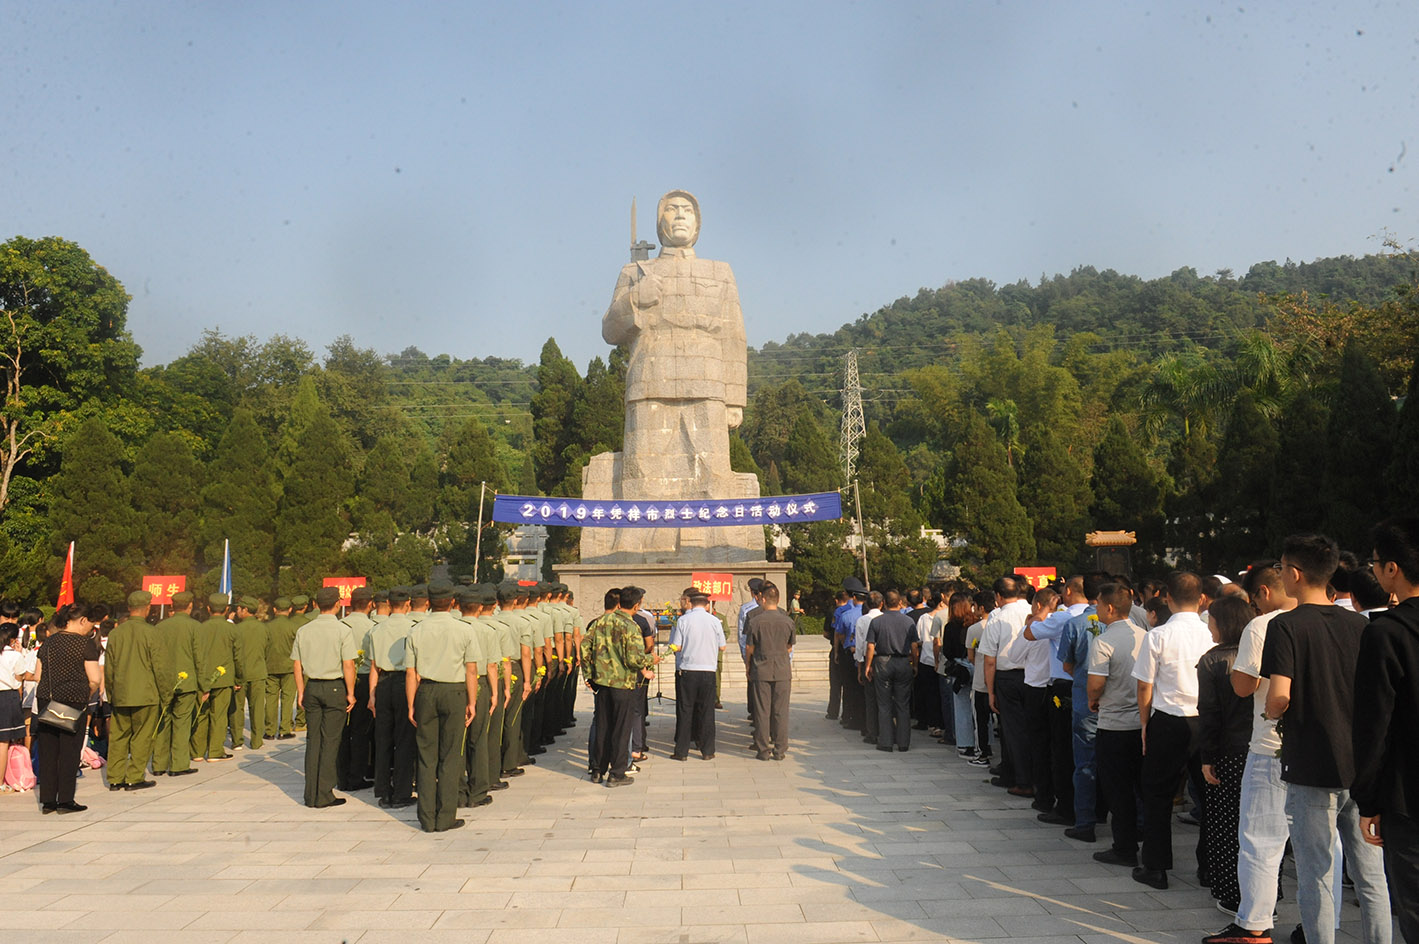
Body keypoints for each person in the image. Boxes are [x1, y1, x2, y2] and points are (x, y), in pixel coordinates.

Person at [1261, 534, 1391, 944]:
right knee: (1371, 875)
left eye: (1281, 568)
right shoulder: (1360, 623)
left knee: (1316, 872)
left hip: (1312, 762)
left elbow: (1279, 694)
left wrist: (1271, 712)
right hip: (1362, 764)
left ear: (1296, 574)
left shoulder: (1285, 625)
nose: (1281, 574)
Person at [1206, 560, 1297, 944]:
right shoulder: (1351, 622)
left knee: (1260, 838)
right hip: (1332, 748)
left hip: (1273, 746)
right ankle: (1322, 925)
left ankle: (1254, 925)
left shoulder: (1263, 626)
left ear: (1261, 593)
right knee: (1326, 848)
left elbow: (1245, 688)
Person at [1353, 517, 1419, 944]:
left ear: (1392, 568)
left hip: (1407, 796)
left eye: (1375, 562)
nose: (1374, 570)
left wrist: (1368, 800)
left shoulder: (1386, 634)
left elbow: (1374, 726)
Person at [1131, 571, 1215, 890]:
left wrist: (1143, 724)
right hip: (1205, 720)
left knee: (1158, 794)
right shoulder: (1211, 633)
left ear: (1167, 598)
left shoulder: (1159, 635)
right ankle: (1208, 867)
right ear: (1202, 599)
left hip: (1168, 718)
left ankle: (1156, 867)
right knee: (1209, 796)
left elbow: (1144, 686)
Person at [405, 579, 481, 832]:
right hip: (455, 692)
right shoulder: (464, 630)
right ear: (452, 602)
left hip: (425, 690)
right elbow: (471, 671)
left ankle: (426, 818)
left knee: (426, 757)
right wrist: (472, 702)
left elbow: (410, 672)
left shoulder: (416, 630)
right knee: (450, 757)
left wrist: (411, 704)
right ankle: (446, 816)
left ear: (428, 602)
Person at [1196, 595, 1255, 917]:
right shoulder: (1261, 653)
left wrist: (1207, 756)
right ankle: (1265, 895)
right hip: (1261, 749)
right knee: (1259, 828)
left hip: (1228, 751)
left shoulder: (1213, 661)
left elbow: (1210, 712)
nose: (1210, 625)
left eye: (1213, 620)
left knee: (1225, 824)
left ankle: (1231, 893)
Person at [1088, 582, 1147, 868]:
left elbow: (1096, 683)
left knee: (1117, 789)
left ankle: (1124, 847)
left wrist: (1092, 698)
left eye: (1098, 603)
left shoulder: (1103, 641)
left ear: (1110, 608)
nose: (1096, 608)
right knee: (1141, 785)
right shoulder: (1145, 635)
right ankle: (1142, 833)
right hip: (1143, 722)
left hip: (1114, 723)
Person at [581, 586, 656, 786]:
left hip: (602, 684)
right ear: (637, 605)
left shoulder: (600, 622)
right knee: (622, 729)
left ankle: (597, 769)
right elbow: (633, 659)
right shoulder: (631, 627)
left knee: (603, 726)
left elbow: (584, 648)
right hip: (623, 684)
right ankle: (617, 773)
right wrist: (650, 659)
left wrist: (588, 675)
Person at [291, 587, 357, 810]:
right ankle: (324, 792)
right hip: (334, 687)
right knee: (330, 742)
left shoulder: (304, 630)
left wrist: (301, 691)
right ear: (338, 604)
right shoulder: (342, 630)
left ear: (315, 604)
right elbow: (348, 664)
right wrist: (350, 692)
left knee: (314, 741)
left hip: (312, 687)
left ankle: (310, 792)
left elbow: (297, 665)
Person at [33, 603, 102, 813]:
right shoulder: (84, 644)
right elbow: (95, 679)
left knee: (48, 752)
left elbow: (37, 676)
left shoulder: (48, 642)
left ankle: (47, 801)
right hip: (73, 703)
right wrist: (86, 693)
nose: (90, 629)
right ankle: (65, 800)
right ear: (82, 621)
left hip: (48, 701)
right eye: (90, 624)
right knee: (69, 752)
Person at [104, 590, 170, 791]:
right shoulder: (152, 632)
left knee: (118, 737)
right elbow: (161, 668)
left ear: (129, 608)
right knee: (142, 737)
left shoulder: (116, 633)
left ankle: (115, 777)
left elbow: (109, 668)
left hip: (122, 693)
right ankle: (134, 776)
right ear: (148, 608)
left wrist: (111, 693)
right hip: (146, 694)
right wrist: (166, 695)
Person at [980, 576, 1032, 795]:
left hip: (1008, 678)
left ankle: (1021, 779)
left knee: (1012, 731)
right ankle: (1026, 776)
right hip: (1034, 677)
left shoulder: (997, 618)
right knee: (1032, 729)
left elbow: (989, 659)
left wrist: (990, 691)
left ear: (998, 596)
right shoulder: (1032, 610)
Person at [366, 587, 416, 808]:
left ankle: (383, 791)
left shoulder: (377, 630)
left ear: (388, 603)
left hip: (383, 684)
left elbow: (374, 667)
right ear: (408, 604)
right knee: (405, 739)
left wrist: (372, 695)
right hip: (405, 682)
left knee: (383, 739)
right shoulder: (414, 629)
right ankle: (402, 792)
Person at [668, 587, 725, 761]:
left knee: (686, 711)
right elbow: (722, 646)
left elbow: (676, 646)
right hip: (708, 671)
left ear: (690, 603)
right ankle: (708, 750)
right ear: (707, 605)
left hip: (688, 670)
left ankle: (682, 751)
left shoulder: (683, 621)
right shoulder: (715, 621)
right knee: (707, 711)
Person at [152, 590, 200, 778]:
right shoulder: (195, 627)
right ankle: (179, 765)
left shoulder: (159, 627)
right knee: (182, 722)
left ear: (172, 606)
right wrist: (204, 684)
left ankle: (158, 764)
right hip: (186, 683)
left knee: (163, 721)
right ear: (190, 606)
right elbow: (199, 657)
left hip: (163, 681)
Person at [865, 589, 920, 753]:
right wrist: (915, 664)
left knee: (884, 704)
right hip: (903, 661)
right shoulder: (908, 621)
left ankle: (886, 742)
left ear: (884, 604)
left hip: (882, 661)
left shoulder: (876, 622)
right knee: (903, 704)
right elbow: (914, 645)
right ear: (900, 603)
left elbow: (870, 646)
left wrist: (868, 666)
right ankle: (904, 743)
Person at [745, 582, 795, 760]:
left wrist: (748, 666)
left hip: (761, 669)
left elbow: (749, 647)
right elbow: (789, 647)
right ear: (779, 600)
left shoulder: (755, 621)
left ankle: (763, 750)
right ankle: (780, 749)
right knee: (781, 711)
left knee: (762, 711)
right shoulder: (788, 621)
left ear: (763, 599)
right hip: (782, 669)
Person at [337, 588, 375, 791]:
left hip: (343, 679)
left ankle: (341, 774)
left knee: (343, 730)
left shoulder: (340, 625)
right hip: (365, 679)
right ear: (370, 604)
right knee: (361, 732)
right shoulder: (373, 628)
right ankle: (356, 775)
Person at [192, 593, 237, 762]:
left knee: (201, 714)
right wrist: (239, 679)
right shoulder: (232, 629)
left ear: (208, 609)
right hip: (224, 678)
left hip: (202, 677)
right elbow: (238, 655)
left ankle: (197, 751)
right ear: (226, 609)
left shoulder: (200, 628)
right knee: (219, 715)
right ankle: (215, 751)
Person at [228, 596, 266, 751]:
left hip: (240, 674)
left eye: (239, 608)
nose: (237, 611)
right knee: (257, 708)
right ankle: (257, 740)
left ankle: (237, 740)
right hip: (258, 672)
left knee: (237, 708)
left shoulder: (236, 629)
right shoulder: (264, 628)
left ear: (245, 610)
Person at [263, 598, 299, 740]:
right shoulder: (293, 627)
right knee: (287, 698)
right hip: (289, 667)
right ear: (290, 609)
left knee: (271, 698)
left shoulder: (267, 627)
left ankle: (269, 731)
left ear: (274, 609)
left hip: (270, 666)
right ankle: (284, 729)